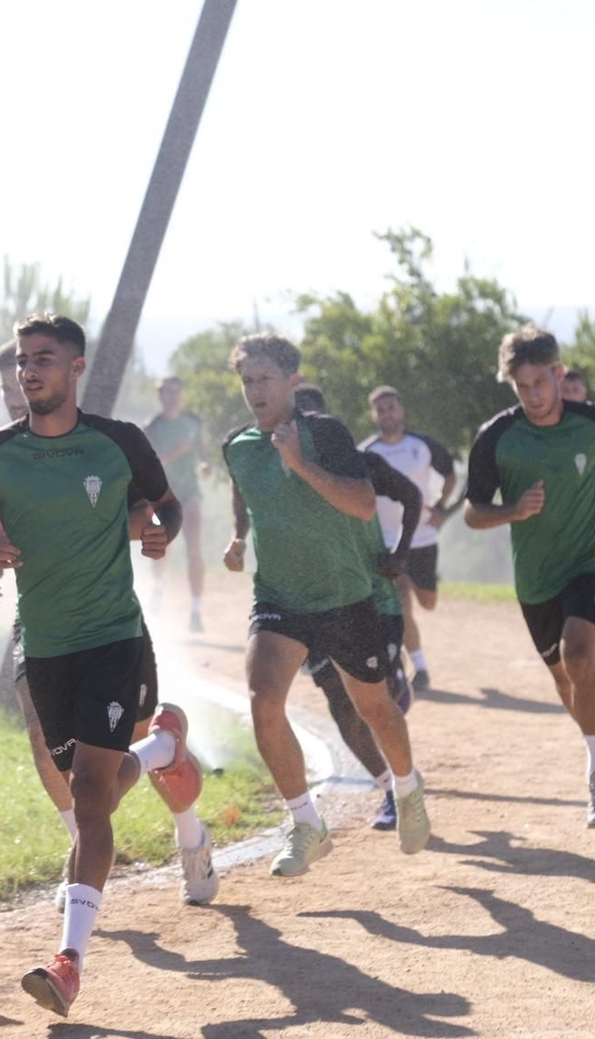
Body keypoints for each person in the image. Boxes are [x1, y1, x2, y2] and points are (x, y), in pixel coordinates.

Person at [0, 314, 202, 1017]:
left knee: (90, 799)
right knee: (91, 784)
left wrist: (161, 536)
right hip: (45, 646)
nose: (30, 369)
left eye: (44, 358)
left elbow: (166, 506)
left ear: (75, 367)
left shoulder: (119, 441)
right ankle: (163, 746)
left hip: (111, 639)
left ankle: (68, 961)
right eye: (23, 360)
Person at [220, 334, 430, 875]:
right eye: (247, 381)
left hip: (343, 597)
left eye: (264, 379)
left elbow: (362, 507)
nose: (255, 390)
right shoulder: (238, 446)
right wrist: (239, 538)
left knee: (375, 709)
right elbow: (245, 496)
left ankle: (407, 790)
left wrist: (300, 463)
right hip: (280, 600)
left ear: (292, 381)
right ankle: (306, 823)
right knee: (263, 702)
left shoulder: (327, 434)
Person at [464, 326, 595, 829]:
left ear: (559, 374)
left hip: (588, 563)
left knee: (578, 656)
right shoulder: (498, 437)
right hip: (534, 580)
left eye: (542, 381)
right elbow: (474, 513)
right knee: (568, 685)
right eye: (524, 386)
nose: (535, 394)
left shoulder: (594, 420)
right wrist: (513, 510)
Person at [359, 385, 456, 692]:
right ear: (374, 415)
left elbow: (450, 474)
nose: (387, 413)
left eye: (391, 407)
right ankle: (421, 669)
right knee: (401, 601)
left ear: (401, 410)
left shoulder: (423, 444)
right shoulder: (367, 452)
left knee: (427, 601)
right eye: (381, 409)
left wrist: (441, 507)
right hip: (387, 538)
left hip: (424, 537)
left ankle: (418, 592)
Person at [144, 376, 209, 630]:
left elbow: (202, 453)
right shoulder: (152, 427)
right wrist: (173, 454)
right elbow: (149, 466)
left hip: (190, 492)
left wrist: (205, 466)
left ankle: (196, 611)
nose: (172, 397)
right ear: (160, 396)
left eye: (176, 392)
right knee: (163, 546)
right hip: (164, 494)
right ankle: (158, 586)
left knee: (194, 547)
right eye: (167, 393)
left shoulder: (193, 422)